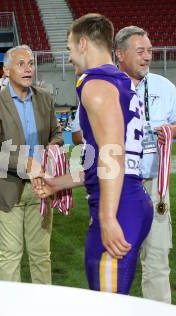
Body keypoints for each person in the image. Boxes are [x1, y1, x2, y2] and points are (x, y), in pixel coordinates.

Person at [33, 14, 153, 294]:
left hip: (120, 205)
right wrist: (58, 183)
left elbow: (113, 155)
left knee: (107, 305)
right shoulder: (121, 82)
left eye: (70, 49)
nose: (70, 57)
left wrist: (108, 217)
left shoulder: (96, 85)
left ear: (83, 43)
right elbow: (107, 158)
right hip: (130, 198)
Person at [0, 45, 63, 283]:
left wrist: (53, 147)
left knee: (41, 256)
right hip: (8, 189)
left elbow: (56, 134)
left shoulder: (45, 99)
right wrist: (26, 164)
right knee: (11, 256)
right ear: (6, 71)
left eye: (31, 63)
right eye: (21, 64)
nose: (28, 69)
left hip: (42, 188)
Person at [115, 26, 176, 303]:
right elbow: (79, 133)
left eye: (150, 50)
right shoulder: (105, 88)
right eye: (140, 51)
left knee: (158, 261)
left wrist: (171, 131)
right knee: (118, 261)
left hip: (155, 186)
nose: (147, 56)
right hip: (119, 189)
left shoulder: (164, 87)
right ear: (120, 55)